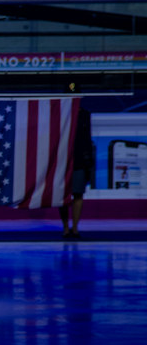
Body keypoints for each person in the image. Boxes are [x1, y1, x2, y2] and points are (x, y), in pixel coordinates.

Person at [61, 82, 94, 239]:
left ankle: (75, 227)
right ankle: (65, 227)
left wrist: (89, 162)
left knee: (78, 194)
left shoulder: (84, 115)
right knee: (62, 196)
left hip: (79, 160)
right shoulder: (59, 115)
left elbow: (87, 139)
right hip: (61, 161)